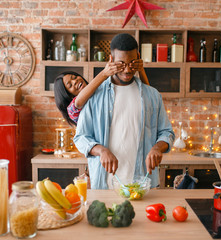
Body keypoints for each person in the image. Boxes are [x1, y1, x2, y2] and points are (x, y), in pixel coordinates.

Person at [74, 33, 175, 189]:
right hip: (104, 185)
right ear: (111, 60)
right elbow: (81, 137)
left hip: (142, 185)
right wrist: (101, 151)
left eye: (132, 63)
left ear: (139, 58)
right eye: (121, 64)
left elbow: (166, 132)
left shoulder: (152, 95)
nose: (127, 70)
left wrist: (157, 147)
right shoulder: (95, 96)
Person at [54, 55, 149, 127]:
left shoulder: (102, 90)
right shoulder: (72, 110)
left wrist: (141, 70)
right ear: (68, 95)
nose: (75, 81)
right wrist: (105, 73)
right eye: (70, 85)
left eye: (74, 77)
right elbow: (78, 102)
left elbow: (147, 94)